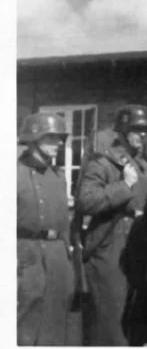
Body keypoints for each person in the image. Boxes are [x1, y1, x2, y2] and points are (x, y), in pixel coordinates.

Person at [76, 105, 147, 345]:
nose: (142, 135)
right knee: (109, 321)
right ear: (122, 131)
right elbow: (85, 201)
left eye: (146, 130)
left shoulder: (143, 166)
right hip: (109, 246)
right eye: (136, 129)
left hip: (137, 244)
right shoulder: (102, 162)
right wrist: (124, 186)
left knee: (132, 319)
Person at [17, 112, 74, 345]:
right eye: (52, 137)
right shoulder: (14, 173)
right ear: (33, 139)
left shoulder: (58, 176)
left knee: (56, 319)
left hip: (57, 254)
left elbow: (64, 222)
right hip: (25, 253)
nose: (59, 143)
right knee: (28, 318)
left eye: (60, 138)